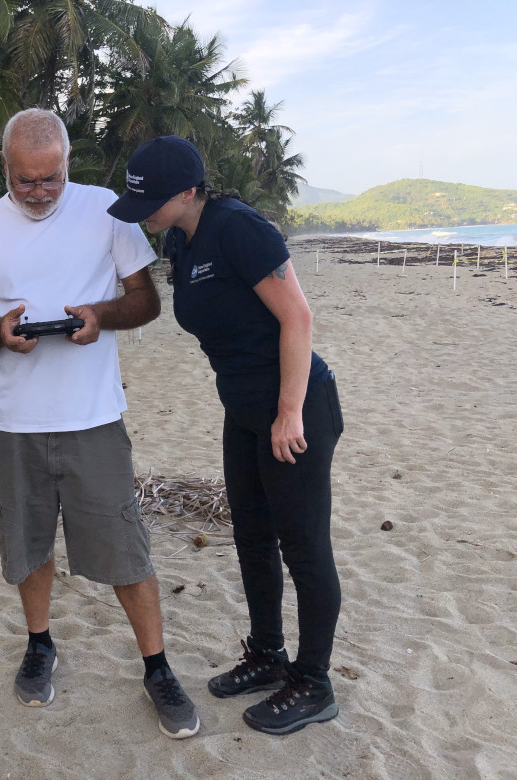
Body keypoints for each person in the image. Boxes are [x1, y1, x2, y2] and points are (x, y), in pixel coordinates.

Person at [0, 109, 201, 739]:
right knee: (28, 545)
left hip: (93, 417)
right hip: (15, 423)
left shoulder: (104, 209)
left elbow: (145, 301)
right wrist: (0, 331)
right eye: (25, 180)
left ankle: (157, 668)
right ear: (5, 167)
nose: (38, 192)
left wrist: (98, 317)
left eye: (50, 178)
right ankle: (39, 645)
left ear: (67, 165)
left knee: (125, 546)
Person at [107, 136, 344, 736]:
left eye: (153, 201)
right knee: (252, 537)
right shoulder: (179, 238)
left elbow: (298, 316)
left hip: (294, 407)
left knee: (304, 546)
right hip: (242, 412)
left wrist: (288, 411)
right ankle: (267, 655)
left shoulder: (240, 228)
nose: (145, 212)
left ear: (189, 191)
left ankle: (314, 683)